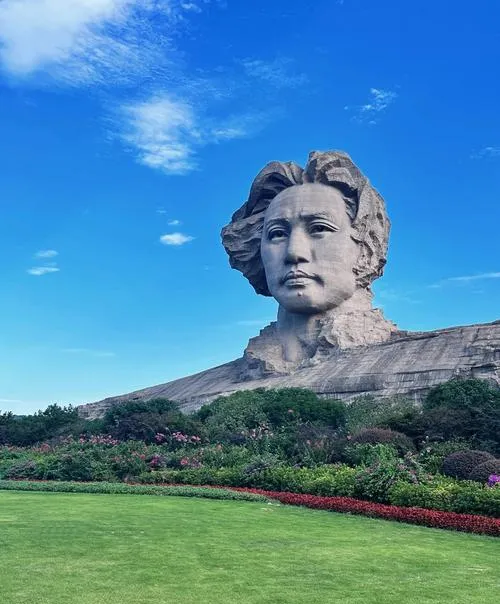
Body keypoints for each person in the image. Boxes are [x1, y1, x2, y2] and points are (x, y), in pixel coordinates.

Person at [222, 150, 395, 369]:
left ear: (367, 245)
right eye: (277, 234)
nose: (294, 253)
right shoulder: (189, 389)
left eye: (319, 228)